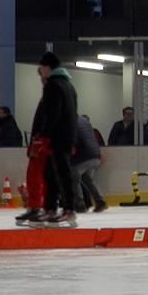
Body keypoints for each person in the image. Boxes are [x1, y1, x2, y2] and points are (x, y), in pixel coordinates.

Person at [28, 53, 80, 227]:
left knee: (60, 174)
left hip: (56, 137)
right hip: (66, 136)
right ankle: (51, 208)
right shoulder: (68, 85)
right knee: (52, 173)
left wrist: (43, 134)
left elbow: (53, 114)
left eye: (41, 68)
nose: (40, 72)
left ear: (47, 67)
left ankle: (68, 210)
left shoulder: (53, 85)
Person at [71, 114, 108, 214]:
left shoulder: (70, 122)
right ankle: (100, 201)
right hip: (95, 155)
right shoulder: (85, 121)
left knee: (74, 177)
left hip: (83, 156)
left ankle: (80, 204)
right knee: (87, 179)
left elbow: (72, 140)